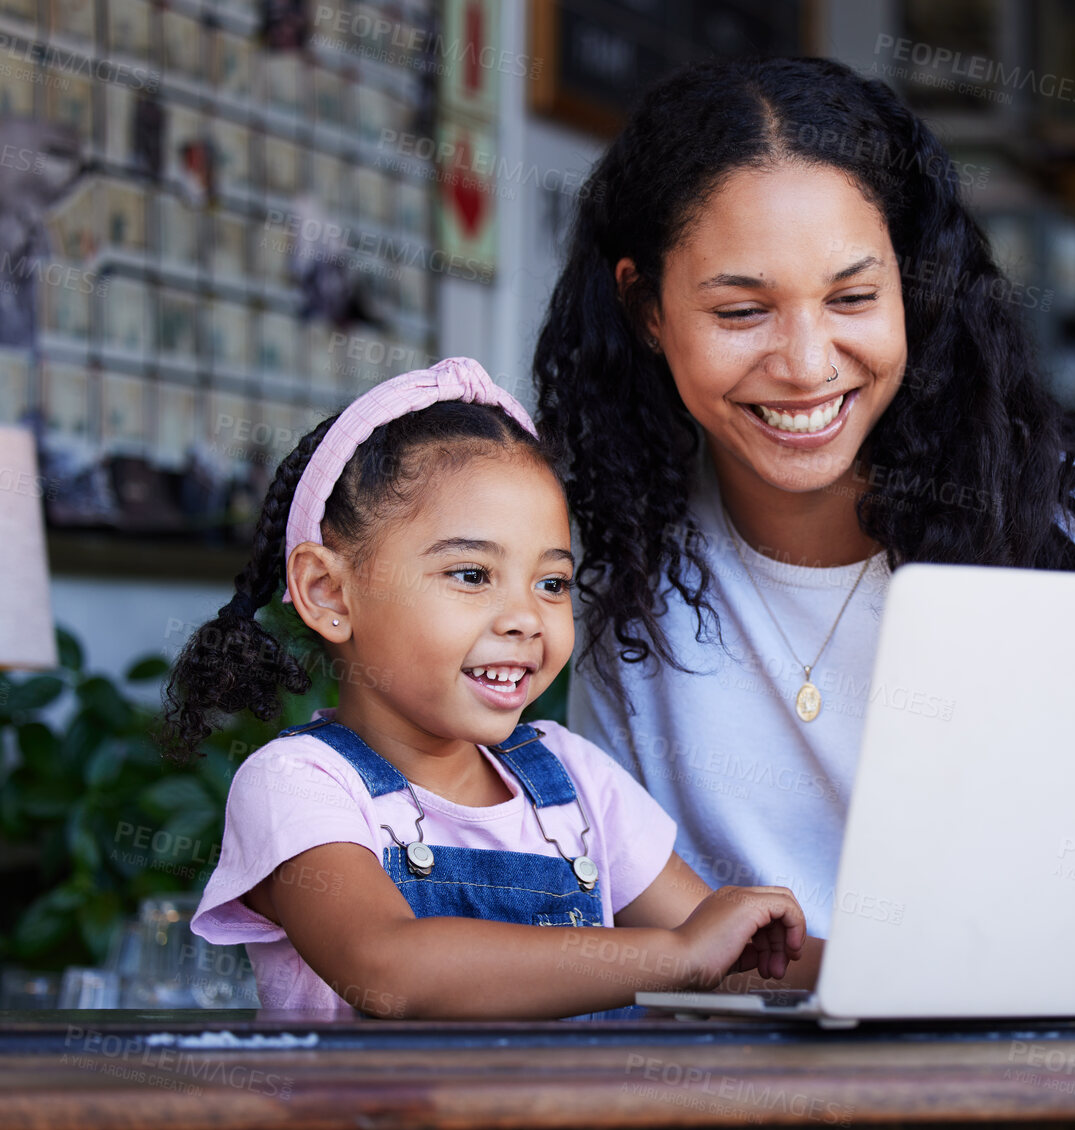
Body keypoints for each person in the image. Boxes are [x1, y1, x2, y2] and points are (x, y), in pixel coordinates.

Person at [534, 57, 1075, 940]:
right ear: (646, 310)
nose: (809, 364)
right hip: (733, 1074)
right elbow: (638, 926)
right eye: (742, 312)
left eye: (853, 297)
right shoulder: (618, 561)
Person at [162, 358, 810, 1019]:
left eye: (551, 584)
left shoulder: (571, 778)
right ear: (328, 592)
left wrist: (891, 972)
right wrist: (671, 958)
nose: (526, 618)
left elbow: (734, 959)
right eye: (472, 575)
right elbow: (388, 968)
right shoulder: (300, 784)